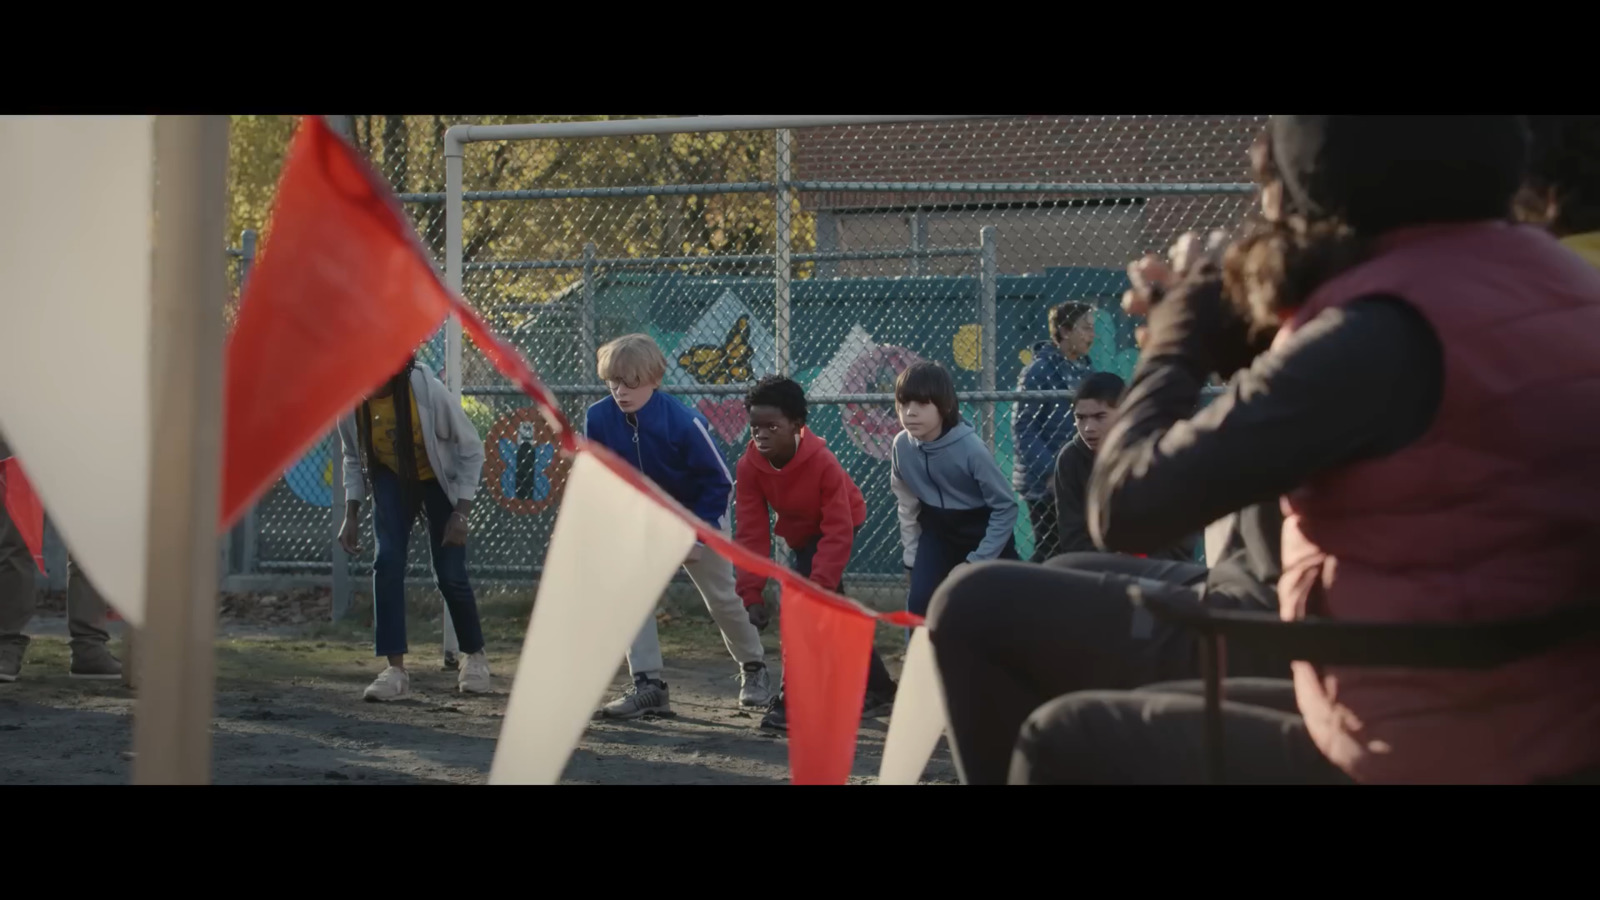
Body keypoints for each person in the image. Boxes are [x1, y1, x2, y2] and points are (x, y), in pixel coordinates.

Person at [999, 115, 1600, 785]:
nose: (1263, 169)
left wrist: (1175, 341)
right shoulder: (1561, 285)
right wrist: (1246, 338)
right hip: (1534, 705)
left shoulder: (1382, 326)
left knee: (1055, 726)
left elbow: (1127, 505)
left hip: (1429, 726)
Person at [586, 334, 771, 719]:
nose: (620, 391)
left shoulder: (685, 422)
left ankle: (754, 668)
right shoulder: (598, 417)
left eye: (630, 382)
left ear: (654, 379)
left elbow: (720, 482)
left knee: (722, 597)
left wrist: (699, 536)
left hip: (696, 515)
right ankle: (649, 685)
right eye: (612, 382)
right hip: (641, 523)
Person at [731, 375, 898, 731]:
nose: (760, 434)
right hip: (800, 532)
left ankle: (793, 701)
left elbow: (837, 530)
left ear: (797, 425)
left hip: (838, 524)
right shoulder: (750, 467)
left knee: (804, 610)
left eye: (771, 426)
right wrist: (751, 591)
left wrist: (818, 585)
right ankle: (881, 689)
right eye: (755, 426)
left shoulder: (822, 463)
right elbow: (751, 533)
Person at [337, 353, 492, 702]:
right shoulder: (349, 400)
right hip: (391, 478)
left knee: (449, 572)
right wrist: (352, 513)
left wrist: (461, 513)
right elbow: (353, 455)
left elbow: (471, 448)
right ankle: (395, 670)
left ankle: (475, 657)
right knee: (387, 561)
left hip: (439, 480)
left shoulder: (426, 391)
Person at [891, 360, 1019, 621]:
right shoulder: (901, 446)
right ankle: (920, 661)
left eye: (922, 403)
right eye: (904, 403)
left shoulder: (971, 449)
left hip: (982, 533)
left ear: (945, 406)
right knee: (919, 603)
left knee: (1002, 615)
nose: (910, 412)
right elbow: (906, 504)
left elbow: (1005, 507)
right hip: (937, 534)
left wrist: (976, 562)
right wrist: (912, 558)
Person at [0, 434, 123, 683]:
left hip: (84, 421)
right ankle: (6, 645)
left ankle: (90, 649)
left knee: (90, 537)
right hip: (21, 418)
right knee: (17, 533)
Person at [1051, 372, 1198, 561]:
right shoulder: (1070, 459)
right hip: (1099, 568)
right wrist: (1113, 562)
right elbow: (1072, 535)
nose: (1088, 427)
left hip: (1160, 566)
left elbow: (1181, 530)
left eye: (1099, 416)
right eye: (1081, 417)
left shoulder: (1157, 449)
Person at [1011, 302, 1095, 561]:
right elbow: (1023, 427)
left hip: (1075, 476)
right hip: (1044, 483)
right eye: (1085, 328)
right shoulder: (1039, 371)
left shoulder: (1085, 370)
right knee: (1051, 548)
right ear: (1065, 331)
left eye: (1092, 329)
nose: (1091, 335)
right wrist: (1051, 472)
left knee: (1072, 547)